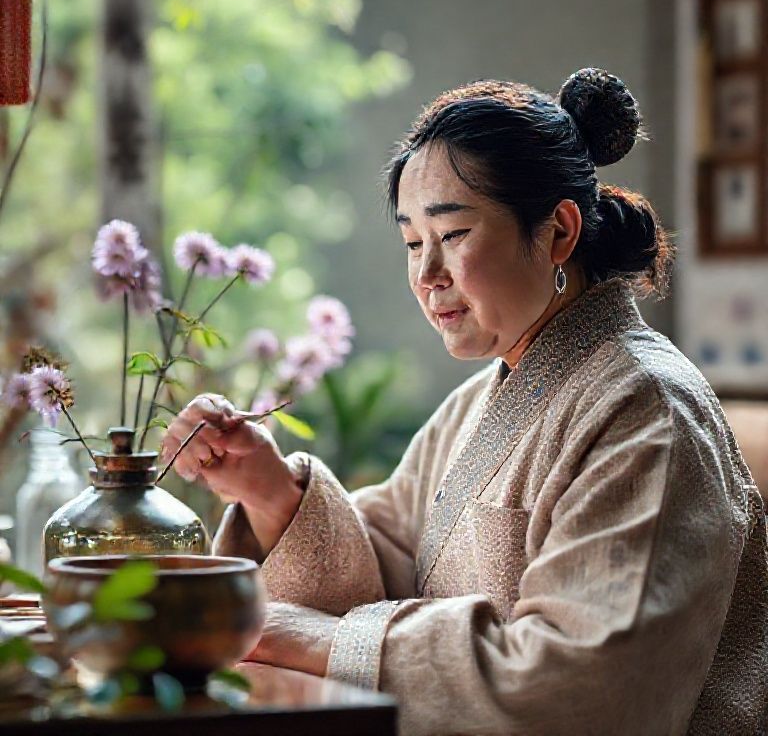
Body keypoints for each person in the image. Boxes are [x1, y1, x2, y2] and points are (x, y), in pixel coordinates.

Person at [162, 68, 768, 735]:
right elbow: (392, 559)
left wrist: (308, 638)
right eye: (413, 244)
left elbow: (585, 691)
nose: (427, 277)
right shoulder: (477, 402)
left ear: (559, 231)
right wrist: (271, 489)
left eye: (451, 237)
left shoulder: (647, 408)